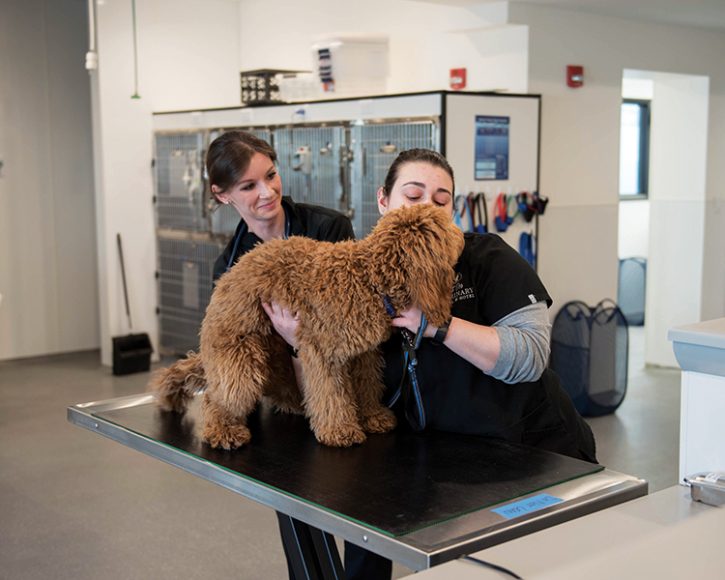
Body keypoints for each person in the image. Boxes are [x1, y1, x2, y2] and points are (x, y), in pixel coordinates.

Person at [343, 148, 598, 579]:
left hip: (531, 453)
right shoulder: (362, 275)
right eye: (413, 194)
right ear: (383, 201)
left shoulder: (486, 259)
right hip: (437, 461)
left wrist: (438, 326)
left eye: (441, 200)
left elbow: (531, 356)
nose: (427, 207)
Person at [205, 130, 357, 579]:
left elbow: (349, 317)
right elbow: (232, 343)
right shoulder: (229, 266)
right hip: (284, 400)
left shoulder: (329, 229)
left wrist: (300, 335)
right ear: (222, 194)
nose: (267, 192)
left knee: (370, 521)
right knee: (296, 509)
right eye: (249, 186)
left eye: (271, 175)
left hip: (344, 387)